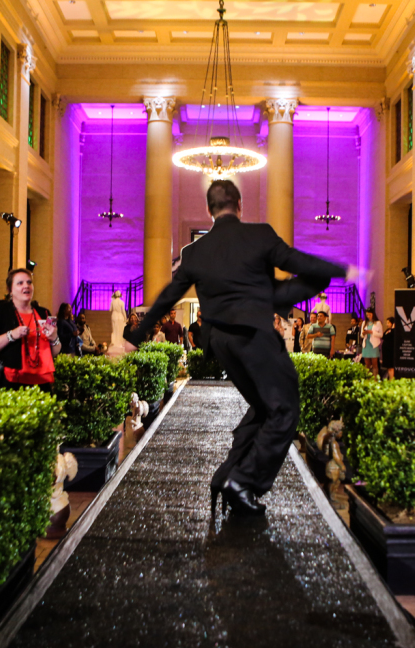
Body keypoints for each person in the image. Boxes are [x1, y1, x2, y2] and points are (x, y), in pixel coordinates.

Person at [128, 179, 348, 517]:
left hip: (222, 343)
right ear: (240, 205)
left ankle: (228, 476)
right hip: (255, 338)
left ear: (209, 210)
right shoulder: (259, 236)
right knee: (285, 410)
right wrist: (341, 270)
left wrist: (138, 333)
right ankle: (244, 480)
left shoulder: (194, 252)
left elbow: (167, 297)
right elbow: (295, 260)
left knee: (263, 409)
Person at [0, 268, 57, 389]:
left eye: (29, 282)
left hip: (42, 383)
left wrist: (54, 338)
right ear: (10, 290)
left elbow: (54, 352)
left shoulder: (44, 313)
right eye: (20, 283)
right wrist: (11, 335)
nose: (26, 286)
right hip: (11, 383)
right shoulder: (0, 312)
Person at [359, 308, 383, 378]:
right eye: (367, 315)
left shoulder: (378, 323)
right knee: (367, 364)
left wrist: (372, 332)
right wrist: (364, 333)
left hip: (374, 345)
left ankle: (375, 378)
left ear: (373, 314)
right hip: (366, 344)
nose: (368, 316)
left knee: (375, 364)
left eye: (370, 315)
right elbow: (361, 335)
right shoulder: (364, 323)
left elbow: (381, 335)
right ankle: (368, 378)